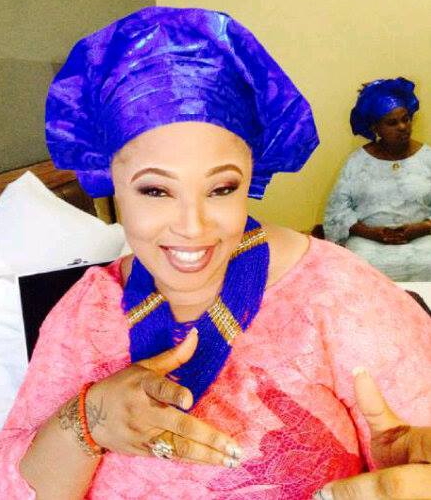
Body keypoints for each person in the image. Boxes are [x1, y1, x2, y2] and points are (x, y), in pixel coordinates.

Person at [0, 8, 430, 500]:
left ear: (252, 175)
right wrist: (88, 420)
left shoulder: (340, 296)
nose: (192, 227)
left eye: (222, 188)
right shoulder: (82, 315)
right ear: (111, 182)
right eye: (155, 191)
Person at [324, 77, 431, 281]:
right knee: (357, 266)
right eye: (392, 123)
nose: (402, 127)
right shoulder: (357, 162)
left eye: (406, 119)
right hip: (368, 241)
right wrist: (372, 233)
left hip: (424, 239)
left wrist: (422, 228)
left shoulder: (427, 158)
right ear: (376, 127)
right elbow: (336, 212)